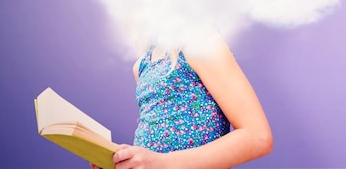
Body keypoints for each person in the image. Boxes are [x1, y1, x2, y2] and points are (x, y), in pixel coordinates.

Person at [91, 34, 273, 169]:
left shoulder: (201, 43)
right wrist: (127, 161)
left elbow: (257, 136)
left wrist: (161, 163)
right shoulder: (141, 66)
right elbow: (156, 145)